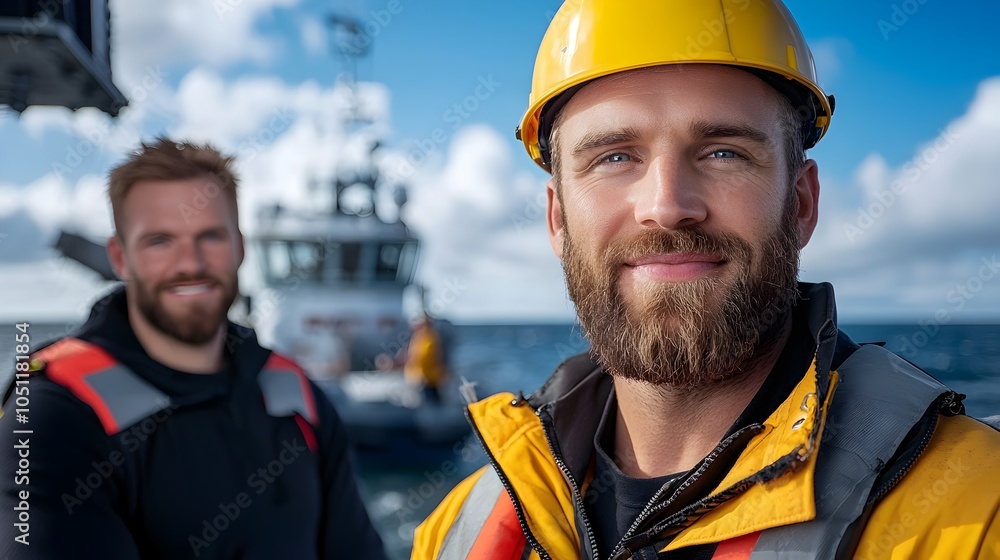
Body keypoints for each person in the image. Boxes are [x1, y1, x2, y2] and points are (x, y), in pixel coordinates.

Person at [412, 1, 1000, 559]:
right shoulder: (456, 530)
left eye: (723, 153)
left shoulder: (980, 513)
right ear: (558, 220)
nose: (667, 206)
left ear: (801, 203)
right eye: (614, 157)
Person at [0, 138, 386, 559]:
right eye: (160, 241)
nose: (191, 263)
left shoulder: (295, 396)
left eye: (210, 237)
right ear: (120, 257)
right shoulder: (53, 413)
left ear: (240, 248)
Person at [404, 313, 447, 405]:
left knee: (433, 400)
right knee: (424, 401)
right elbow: (413, 356)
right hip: (420, 376)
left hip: (431, 376)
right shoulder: (418, 338)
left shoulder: (432, 338)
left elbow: (436, 356)